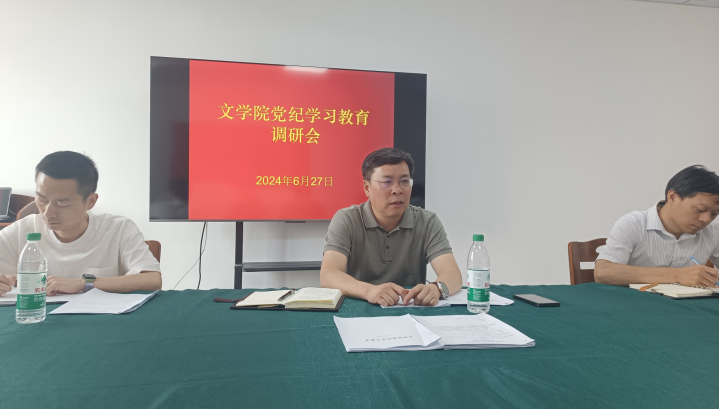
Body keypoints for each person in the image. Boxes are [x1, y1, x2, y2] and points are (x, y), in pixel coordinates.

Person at [0, 151, 161, 296]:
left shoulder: (118, 229)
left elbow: (153, 280)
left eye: (62, 203)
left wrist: (83, 284)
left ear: (91, 201)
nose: (48, 213)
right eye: (42, 200)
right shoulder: (21, 231)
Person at [320, 148, 462, 306]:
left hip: (410, 309)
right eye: (387, 182)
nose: (397, 190)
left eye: (404, 181)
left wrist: (436, 288)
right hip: (360, 308)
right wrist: (370, 291)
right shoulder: (347, 219)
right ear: (367, 188)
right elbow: (329, 275)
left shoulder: (427, 221)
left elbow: (452, 274)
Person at [595, 165, 719, 287]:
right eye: (700, 209)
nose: (706, 219)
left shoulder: (713, 233)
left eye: (715, 213)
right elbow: (603, 272)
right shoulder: (634, 224)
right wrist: (676, 275)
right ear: (673, 197)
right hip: (636, 298)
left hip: (689, 300)